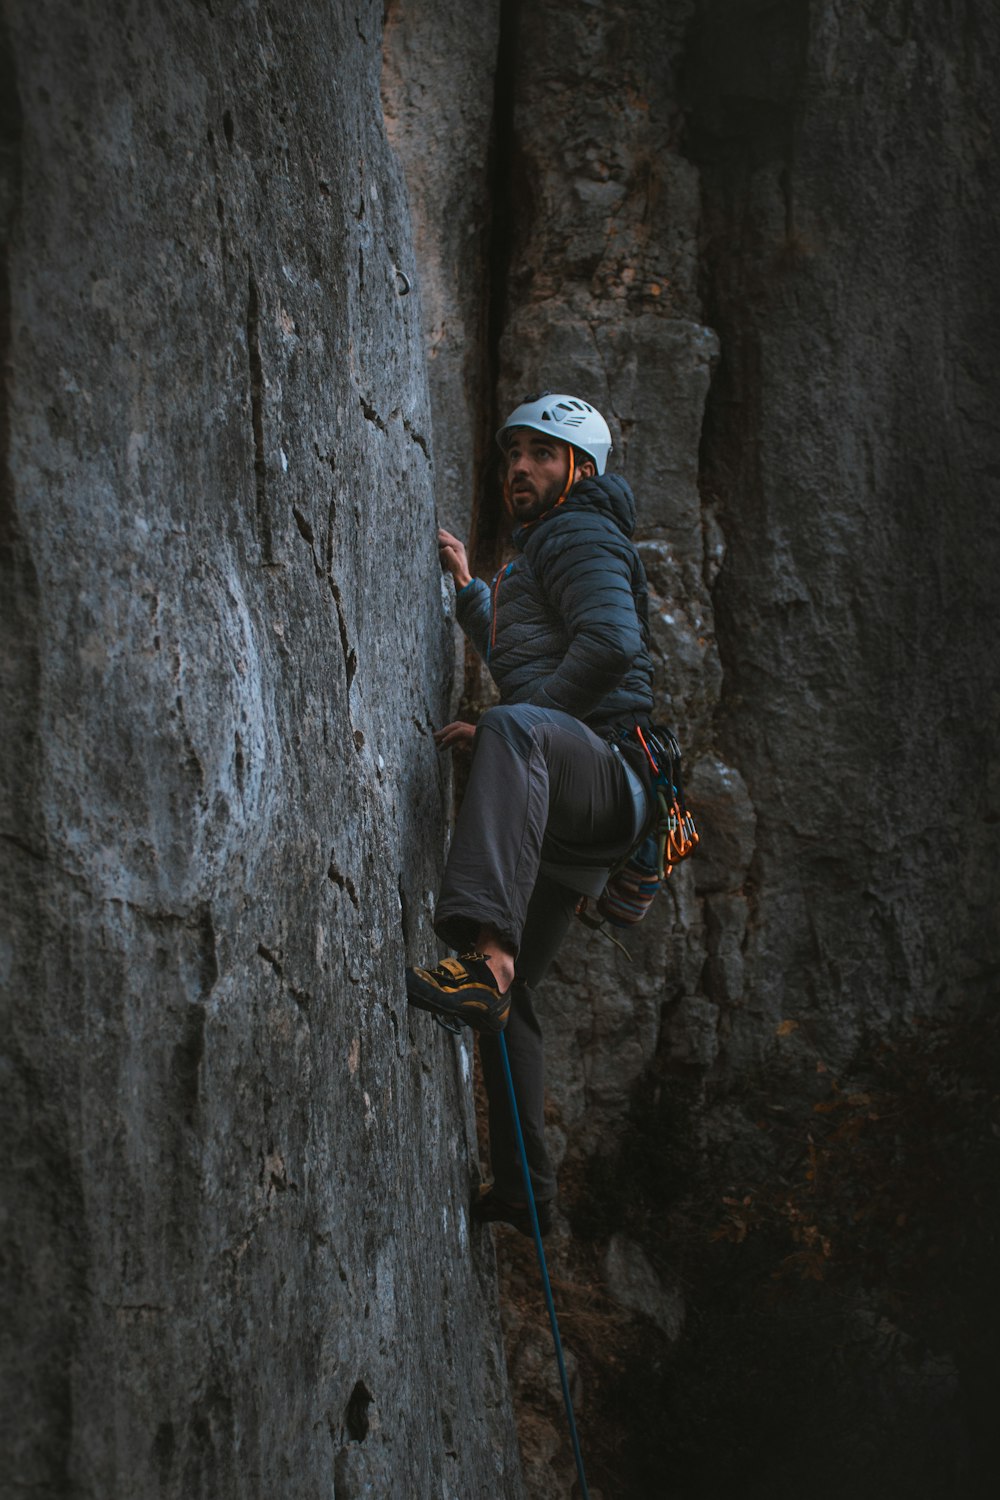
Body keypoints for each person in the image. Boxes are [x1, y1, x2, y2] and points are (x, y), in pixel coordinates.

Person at [405, 392, 655, 1236]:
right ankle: (527, 1195)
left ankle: (486, 956)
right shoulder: (541, 551)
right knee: (518, 1011)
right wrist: (474, 593)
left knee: (511, 726)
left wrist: (518, 733)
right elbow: (533, 654)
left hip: (606, 775)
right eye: (513, 452)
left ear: (579, 469)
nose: (520, 466)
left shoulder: (580, 529)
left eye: (543, 454)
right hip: (567, 811)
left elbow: (613, 647)